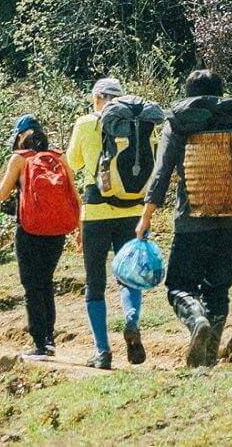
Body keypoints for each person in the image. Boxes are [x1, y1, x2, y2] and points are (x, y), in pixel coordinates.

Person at [136, 70, 232, 368]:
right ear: (219, 92)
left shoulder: (179, 121)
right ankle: (208, 360)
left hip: (191, 221)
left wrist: (146, 215)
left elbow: (162, 172)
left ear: (189, 95)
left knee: (179, 286)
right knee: (218, 289)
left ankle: (196, 320)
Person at [66, 76, 164, 369]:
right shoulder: (140, 124)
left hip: (96, 213)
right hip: (132, 212)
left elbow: (73, 163)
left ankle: (102, 351)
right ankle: (132, 321)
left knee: (95, 284)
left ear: (96, 98)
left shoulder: (86, 124)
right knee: (129, 276)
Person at [0, 114, 80, 360]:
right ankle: (49, 339)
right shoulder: (59, 156)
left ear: (21, 136)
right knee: (45, 282)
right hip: (57, 231)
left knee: (32, 285)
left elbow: (0, 195)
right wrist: (80, 229)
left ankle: (40, 343)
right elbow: (74, 195)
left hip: (29, 230)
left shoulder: (19, 160)